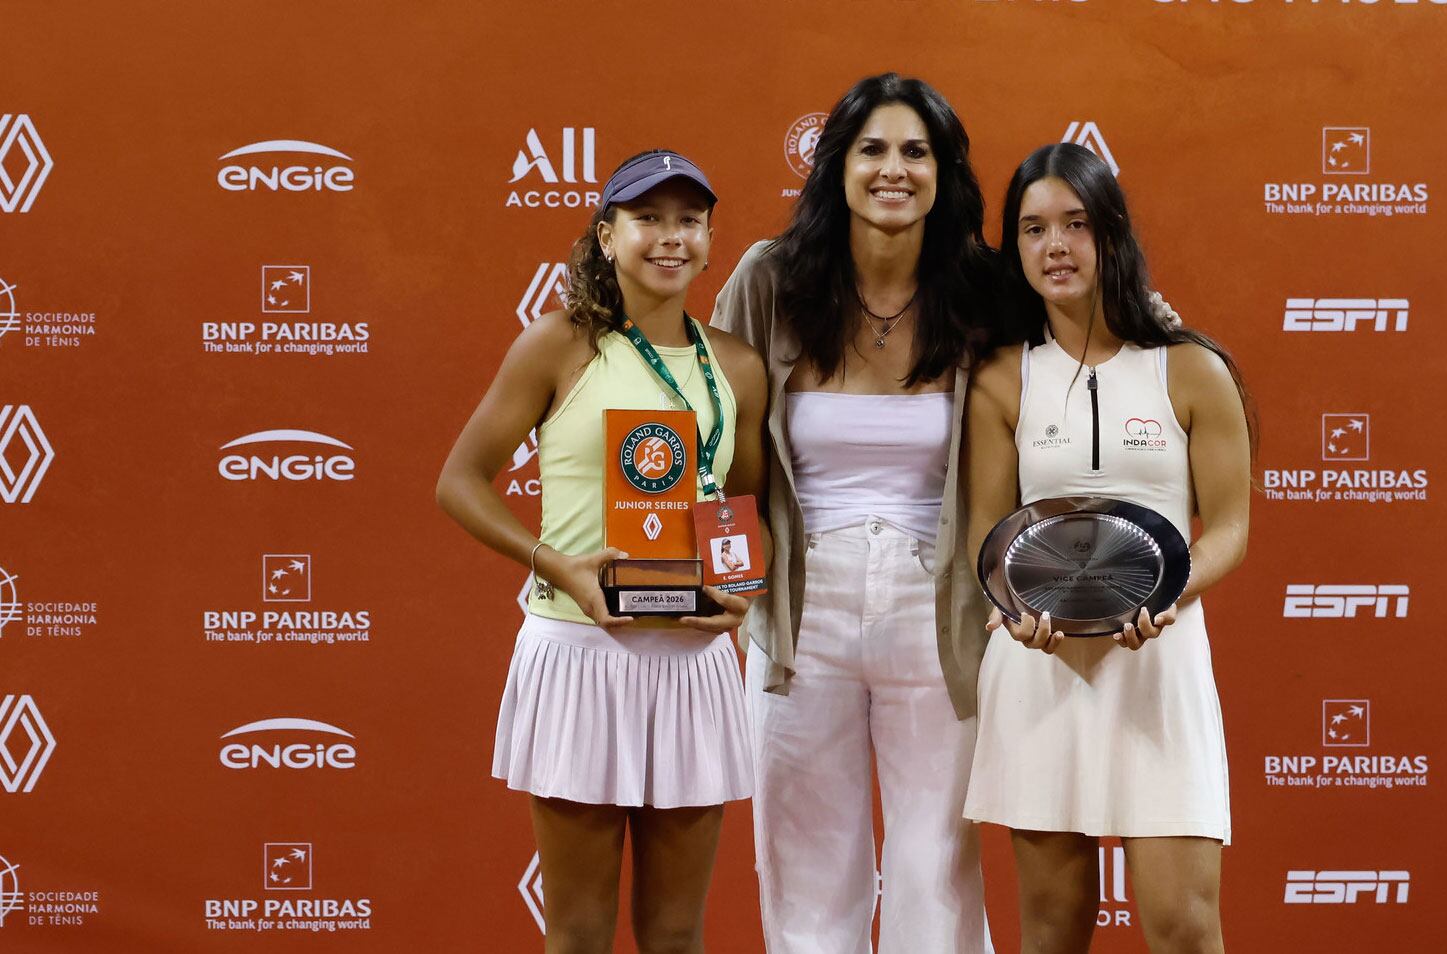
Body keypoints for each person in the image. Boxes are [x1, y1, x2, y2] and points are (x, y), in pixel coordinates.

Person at [436, 149, 767, 954]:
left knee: (675, 933)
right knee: (580, 933)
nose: (670, 237)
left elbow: (743, 509)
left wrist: (738, 592)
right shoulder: (558, 344)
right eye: (648, 218)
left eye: (688, 220)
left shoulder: (738, 365)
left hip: (690, 664)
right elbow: (460, 482)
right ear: (607, 234)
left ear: (709, 241)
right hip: (579, 651)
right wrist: (557, 566)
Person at [711, 73, 1000, 953]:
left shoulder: (984, 293)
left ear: (944, 173)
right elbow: (714, 442)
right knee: (804, 872)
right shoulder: (769, 280)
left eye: (917, 152)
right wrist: (723, 586)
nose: (894, 170)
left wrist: (1167, 335)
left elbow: (1090, 334)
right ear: (836, 164)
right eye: (872, 148)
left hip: (941, 609)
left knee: (934, 872)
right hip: (801, 611)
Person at [962, 143, 1253, 954]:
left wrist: (1167, 596)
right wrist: (1013, 614)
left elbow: (1229, 526)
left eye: (1075, 224)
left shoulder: (1192, 370)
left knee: (1184, 927)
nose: (1055, 246)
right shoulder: (999, 380)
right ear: (1013, 249)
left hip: (1158, 662)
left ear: (1112, 234)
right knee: (1051, 933)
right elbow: (992, 541)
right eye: (1032, 229)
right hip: (1041, 668)